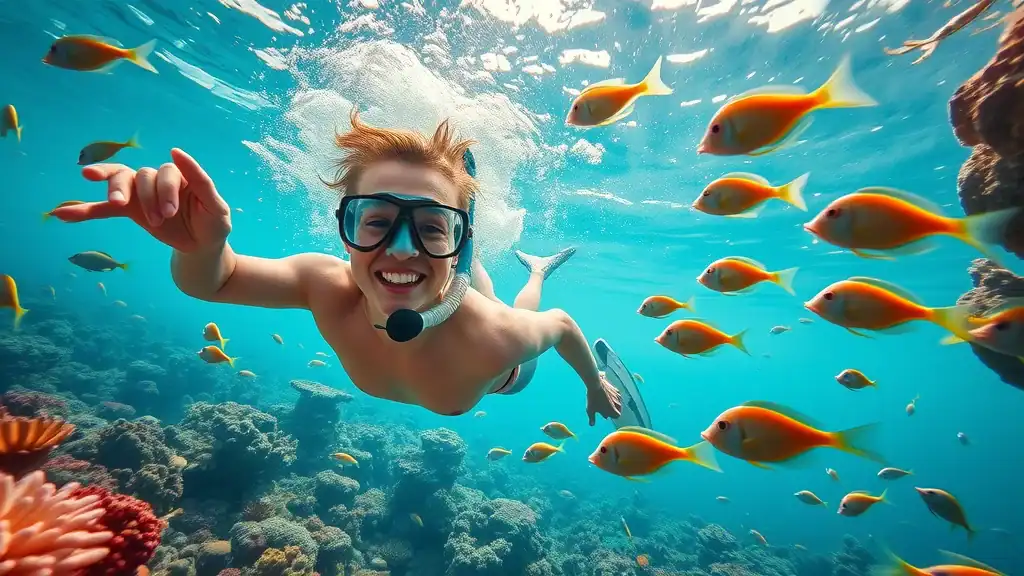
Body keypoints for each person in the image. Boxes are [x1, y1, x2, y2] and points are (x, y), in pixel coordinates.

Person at [53, 109, 623, 424]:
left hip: (501, 373)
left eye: (429, 226)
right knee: (459, 278)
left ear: (453, 236)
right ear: (343, 229)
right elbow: (216, 280)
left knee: (507, 303)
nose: (400, 249)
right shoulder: (326, 286)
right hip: (447, 279)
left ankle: (538, 271)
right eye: (375, 221)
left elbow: (564, 327)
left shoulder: (494, 339)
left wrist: (594, 384)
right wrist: (200, 248)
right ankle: (458, 248)